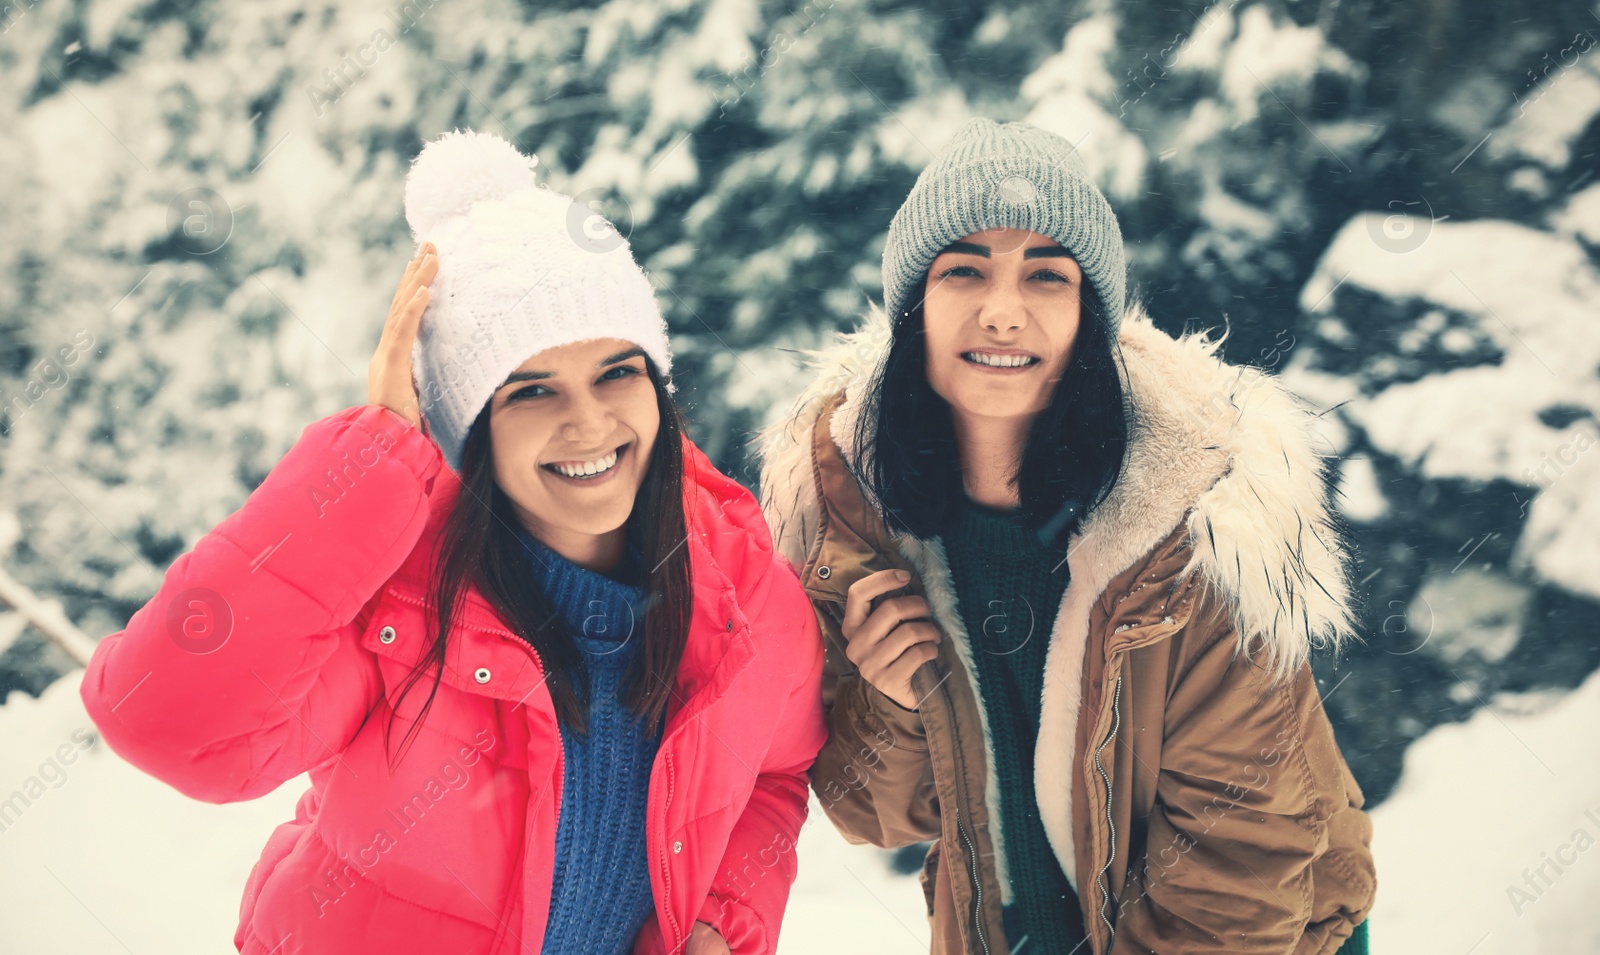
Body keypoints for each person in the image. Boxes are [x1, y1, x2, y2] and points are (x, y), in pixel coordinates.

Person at [80, 129, 826, 955]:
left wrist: (726, 917)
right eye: (531, 390)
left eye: (618, 371)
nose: (589, 422)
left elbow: (775, 773)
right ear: (471, 432)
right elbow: (164, 721)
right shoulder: (400, 604)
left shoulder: (745, 597)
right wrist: (369, 459)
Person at [756, 118, 1376, 954]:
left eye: (1046, 276)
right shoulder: (858, 523)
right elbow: (878, 815)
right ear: (914, 311)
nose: (1002, 312)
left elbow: (1239, 875)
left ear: (1090, 315)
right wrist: (898, 701)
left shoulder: (1197, 530)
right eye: (963, 270)